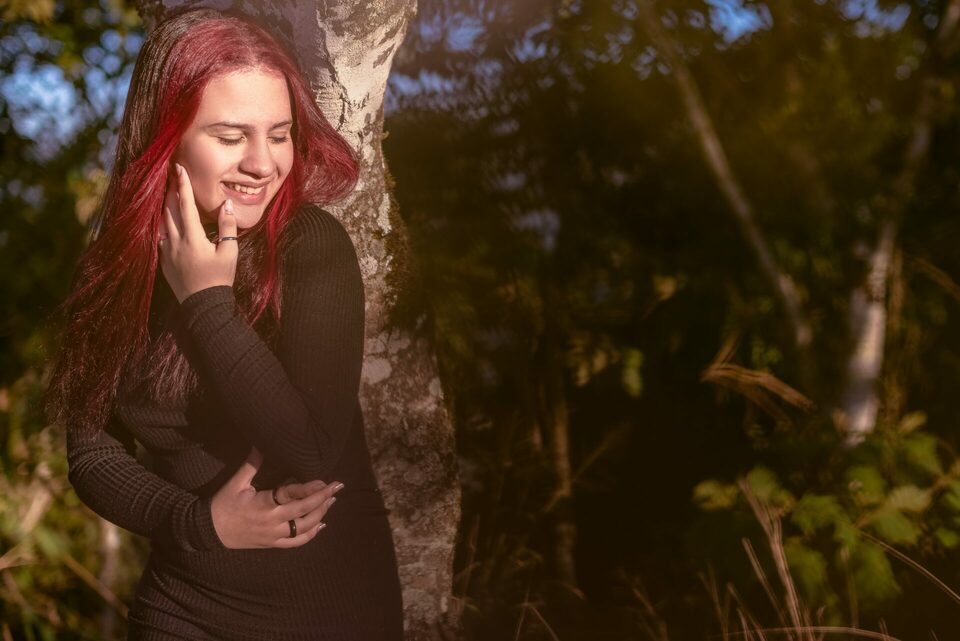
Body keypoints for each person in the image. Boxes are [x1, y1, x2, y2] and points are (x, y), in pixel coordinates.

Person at [43, 8, 404, 640]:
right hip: (181, 605)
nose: (263, 164)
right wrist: (197, 524)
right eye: (231, 137)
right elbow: (92, 450)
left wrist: (206, 302)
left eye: (280, 133)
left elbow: (312, 448)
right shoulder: (114, 266)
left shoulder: (310, 249)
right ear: (167, 137)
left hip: (326, 614)